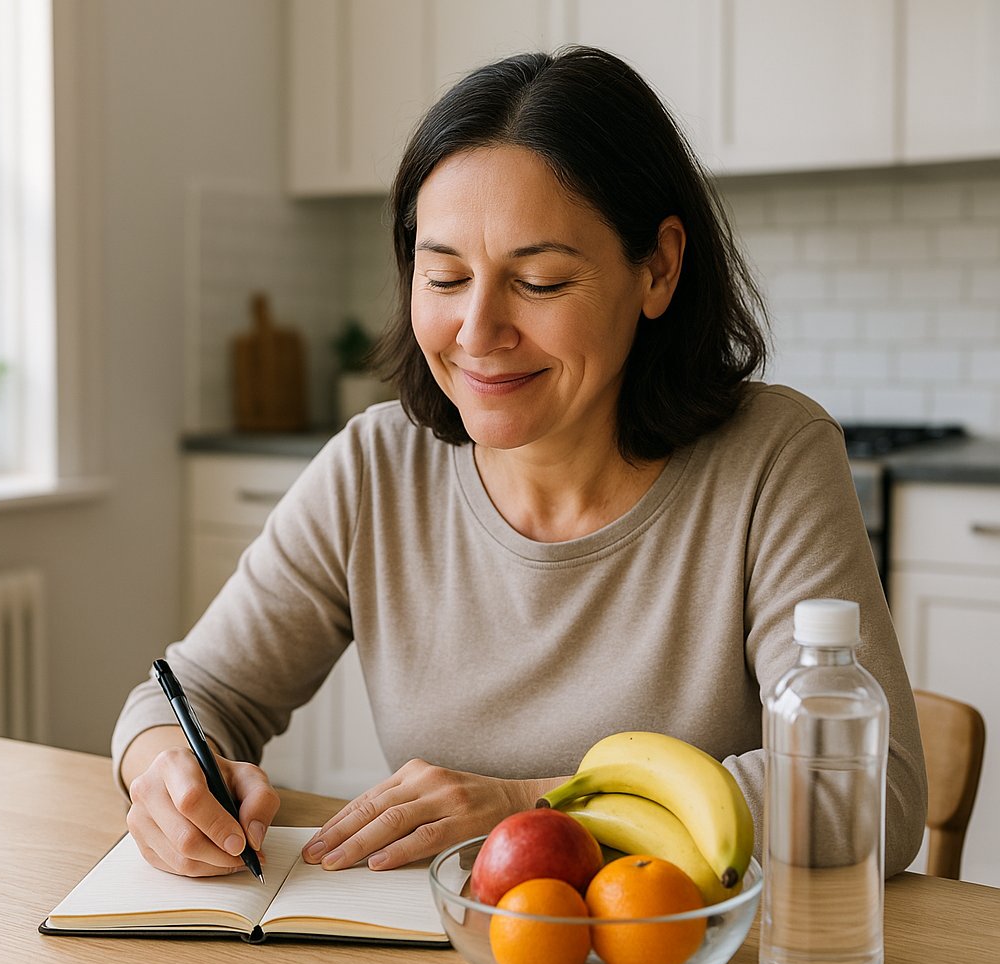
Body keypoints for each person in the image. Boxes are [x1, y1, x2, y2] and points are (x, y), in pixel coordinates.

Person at [113, 46, 927, 881]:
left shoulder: (771, 462)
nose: (477, 330)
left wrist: (530, 806)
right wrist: (164, 776)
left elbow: (872, 792)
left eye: (537, 281)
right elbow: (189, 694)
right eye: (445, 275)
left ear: (659, 268)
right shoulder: (375, 468)